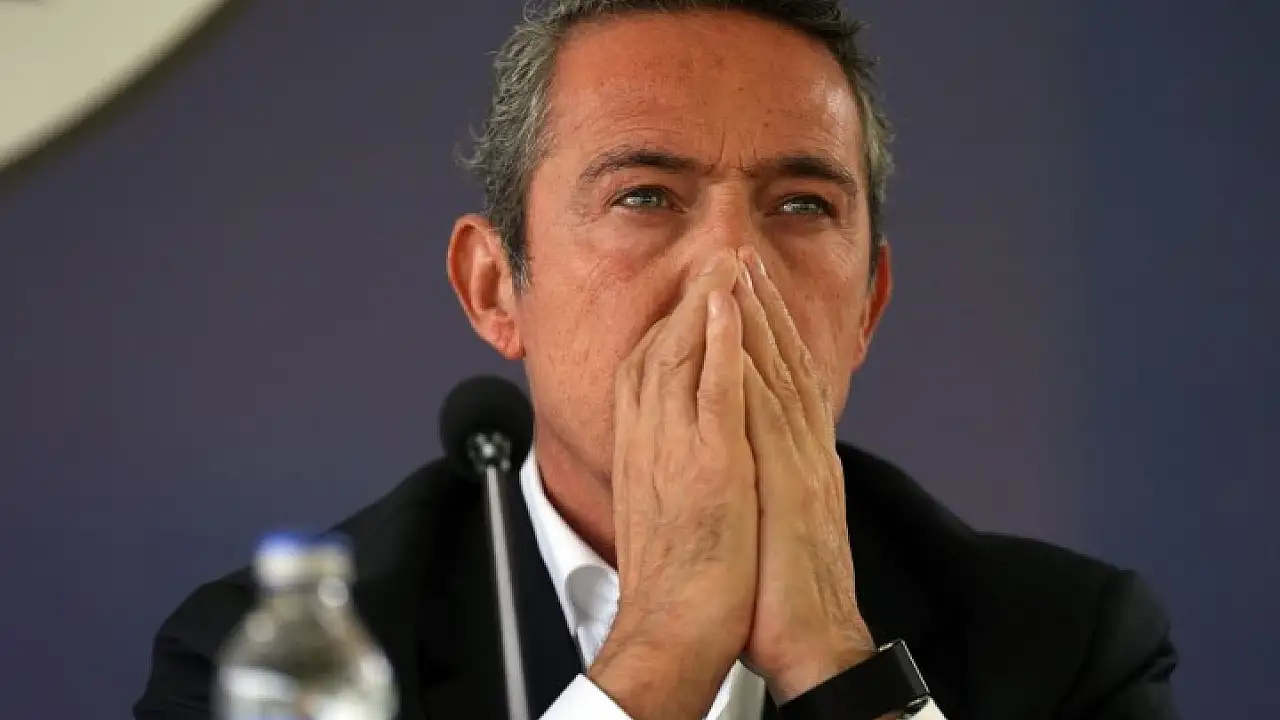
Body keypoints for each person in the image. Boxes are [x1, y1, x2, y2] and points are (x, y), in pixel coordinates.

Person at [134, 1, 1180, 718]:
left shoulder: (1066, 647)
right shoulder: (274, 661)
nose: (730, 268)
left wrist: (838, 665)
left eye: (800, 206)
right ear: (496, 288)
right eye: (644, 196)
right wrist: (659, 653)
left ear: (866, 304)